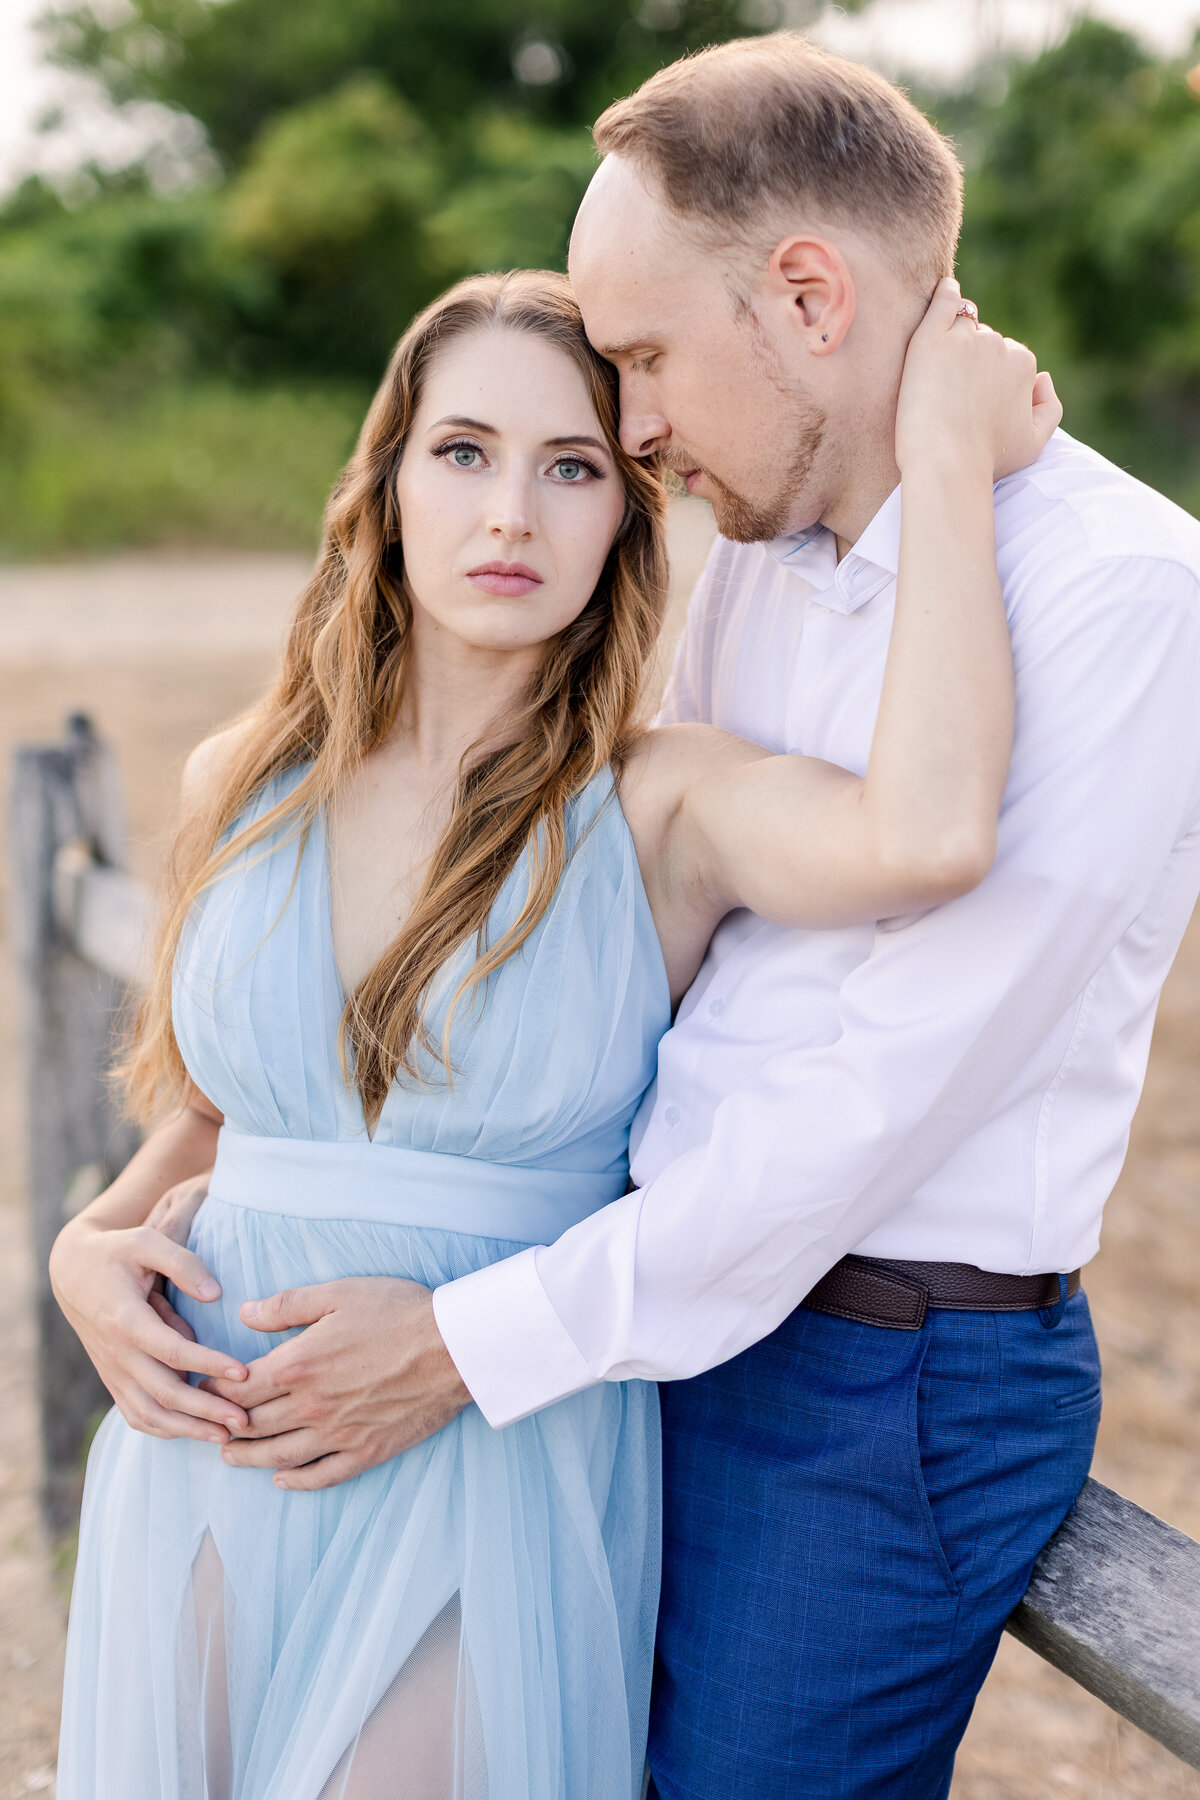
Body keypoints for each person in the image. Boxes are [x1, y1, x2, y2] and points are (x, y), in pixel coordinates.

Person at [51, 253, 1048, 1797]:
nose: (511, 512)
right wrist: (86, 1246)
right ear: (386, 485)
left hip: (486, 1464)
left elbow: (929, 835)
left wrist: (944, 465)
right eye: (464, 453)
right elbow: (225, 1115)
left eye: (570, 466)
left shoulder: (663, 806)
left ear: (624, 514)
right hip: (207, 1452)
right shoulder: (239, 783)